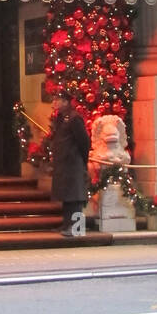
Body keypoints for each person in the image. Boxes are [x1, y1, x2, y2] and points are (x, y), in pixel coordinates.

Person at [50, 100, 91, 238]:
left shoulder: (75, 118)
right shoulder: (61, 118)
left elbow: (84, 141)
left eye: (57, 100)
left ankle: (77, 227)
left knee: (75, 196)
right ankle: (67, 223)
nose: (54, 103)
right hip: (64, 163)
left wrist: (82, 159)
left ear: (66, 102)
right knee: (67, 195)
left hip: (74, 163)